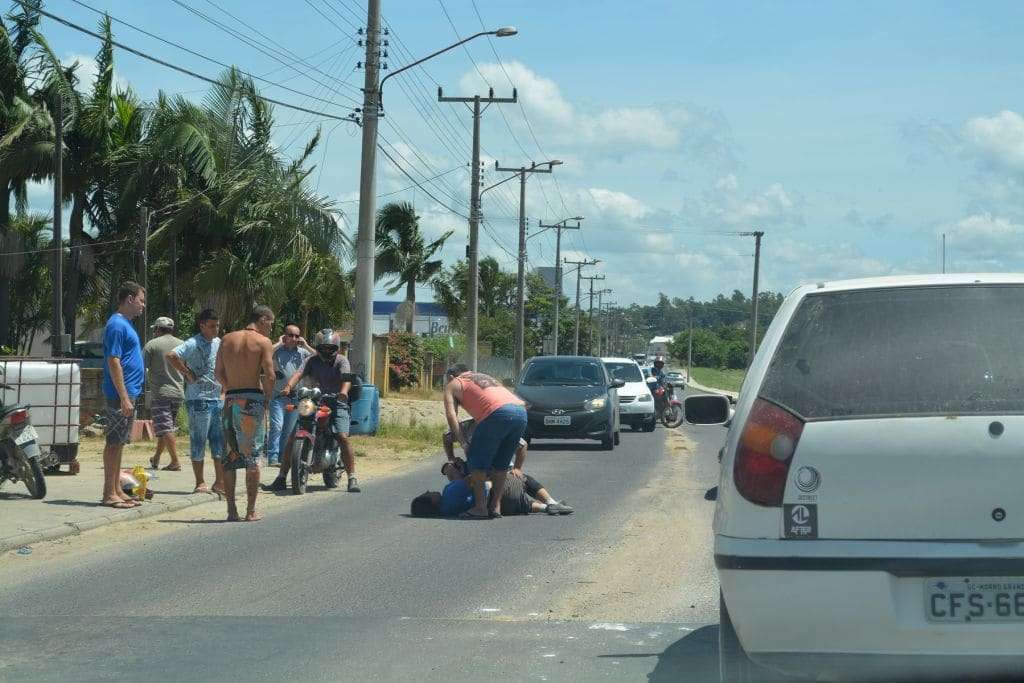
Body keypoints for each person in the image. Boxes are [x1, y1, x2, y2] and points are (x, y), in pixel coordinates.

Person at [265, 329, 360, 493]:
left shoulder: (342, 360)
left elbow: (346, 379)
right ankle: (281, 478)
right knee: (292, 436)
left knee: (342, 437)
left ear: (336, 348)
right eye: (323, 348)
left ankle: (352, 477)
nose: (326, 351)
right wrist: (288, 387)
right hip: (314, 400)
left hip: (337, 401)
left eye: (330, 348)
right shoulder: (311, 360)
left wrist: (343, 393)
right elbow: (299, 373)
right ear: (318, 347)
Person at [214, 305, 276, 522]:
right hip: (252, 399)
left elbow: (218, 373)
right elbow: (269, 375)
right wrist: (266, 399)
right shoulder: (263, 342)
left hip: (231, 400)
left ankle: (231, 510)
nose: (271, 328)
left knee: (230, 457)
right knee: (253, 457)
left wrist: (231, 387)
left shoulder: (226, 339)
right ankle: (250, 510)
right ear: (263, 319)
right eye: (271, 323)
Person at [442, 364, 527, 519]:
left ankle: (480, 508)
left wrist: (463, 442)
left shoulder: (453, 383)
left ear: (451, 376)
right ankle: (496, 506)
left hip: (496, 413)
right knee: (501, 464)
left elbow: (451, 415)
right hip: (520, 412)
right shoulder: (483, 377)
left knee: (476, 461)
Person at [168, 309, 225, 495]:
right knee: (199, 441)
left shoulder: (218, 343)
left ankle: (220, 481)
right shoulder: (192, 343)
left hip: (217, 398)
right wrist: (187, 373)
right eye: (211, 326)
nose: (215, 329)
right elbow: (172, 355)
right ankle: (200, 482)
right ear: (202, 326)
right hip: (198, 399)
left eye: (217, 325)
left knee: (218, 442)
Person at [100, 281, 146, 509]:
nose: (143, 306)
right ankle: (109, 493)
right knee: (113, 443)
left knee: (120, 443)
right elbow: (113, 361)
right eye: (141, 300)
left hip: (128, 392)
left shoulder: (125, 324)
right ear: (129, 299)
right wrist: (125, 397)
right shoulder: (117, 325)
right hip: (120, 394)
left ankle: (117, 489)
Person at [410, 465, 573, 517]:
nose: (430, 490)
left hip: (501, 506)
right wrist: (499, 472)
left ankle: (546, 508)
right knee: (521, 477)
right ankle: (551, 502)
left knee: (523, 504)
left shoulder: (446, 511)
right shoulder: (449, 493)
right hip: (499, 492)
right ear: (431, 501)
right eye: (427, 493)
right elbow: (474, 479)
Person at [267, 324, 313, 467]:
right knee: (277, 426)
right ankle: (273, 457)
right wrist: (280, 343)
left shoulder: (302, 353)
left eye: (296, 336)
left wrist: (306, 345)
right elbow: (264, 353)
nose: (293, 338)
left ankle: (282, 457)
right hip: (278, 396)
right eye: (290, 335)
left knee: (289, 430)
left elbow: (319, 357)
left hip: (295, 397)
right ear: (284, 335)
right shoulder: (277, 351)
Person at [143, 316, 184, 471]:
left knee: (165, 428)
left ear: (157, 330)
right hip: (178, 392)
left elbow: (142, 366)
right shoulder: (182, 344)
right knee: (165, 428)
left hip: (160, 393)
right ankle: (156, 458)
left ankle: (175, 461)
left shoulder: (152, 344)